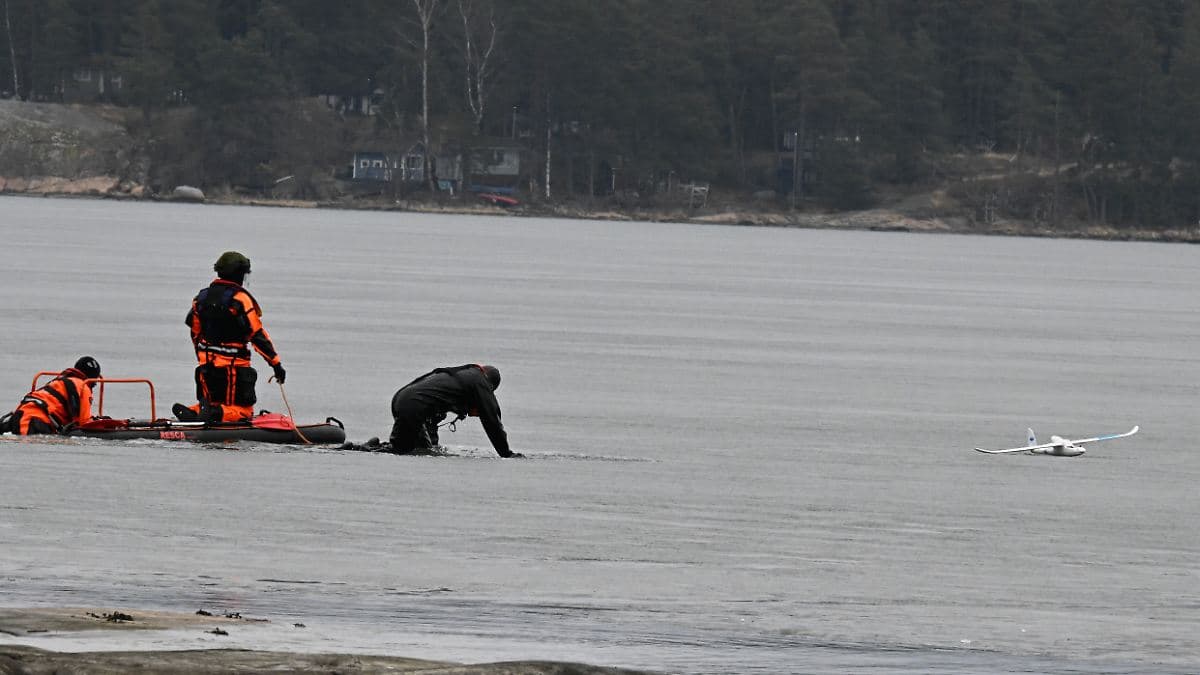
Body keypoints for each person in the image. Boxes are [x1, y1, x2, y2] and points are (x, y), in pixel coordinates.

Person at [174, 251, 285, 423]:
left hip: (206, 368)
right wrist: (276, 364)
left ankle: (196, 412)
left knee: (214, 401)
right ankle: (213, 413)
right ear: (239, 274)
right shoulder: (240, 299)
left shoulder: (201, 298)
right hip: (233, 369)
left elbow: (194, 332)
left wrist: (202, 357)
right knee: (243, 411)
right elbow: (257, 334)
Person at [383, 363, 520, 457]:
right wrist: (506, 453)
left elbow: (431, 421)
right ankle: (366, 449)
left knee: (418, 449)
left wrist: (434, 444)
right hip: (413, 407)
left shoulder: (459, 377)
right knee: (404, 450)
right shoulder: (479, 380)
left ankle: (371, 447)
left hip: (401, 400)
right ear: (490, 385)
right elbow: (491, 420)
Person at [0, 356, 100, 435]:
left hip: (18, 416)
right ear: (93, 379)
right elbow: (83, 422)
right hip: (35, 422)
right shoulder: (83, 386)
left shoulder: (58, 381)